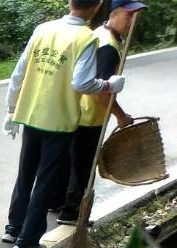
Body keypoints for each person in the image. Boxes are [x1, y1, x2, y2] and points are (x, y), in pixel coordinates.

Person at [2, 0, 125, 248]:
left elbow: (19, 72)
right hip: (59, 120)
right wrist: (108, 85)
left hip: (30, 113)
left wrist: (11, 109)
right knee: (46, 179)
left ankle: (13, 227)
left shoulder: (42, 29)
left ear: (69, 3)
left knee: (26, 174)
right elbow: (82, 83)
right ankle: (27, 240)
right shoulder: (86, 38)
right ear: (96, 7)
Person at [52, 0, 143, 226]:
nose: (131, 22)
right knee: (83, 166)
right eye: (127, 16)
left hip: (75, 111)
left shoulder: (100, 33)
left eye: (135, 17)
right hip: (89, 116)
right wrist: (120, 116)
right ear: (113, 14)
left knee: (71, 160)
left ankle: (56, 200)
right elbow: (102, 93)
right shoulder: (108, 47)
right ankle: (71, 213)